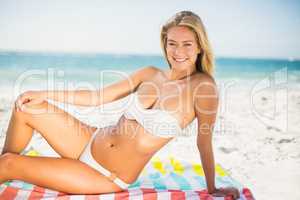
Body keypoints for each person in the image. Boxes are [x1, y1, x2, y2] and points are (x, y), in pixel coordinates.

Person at [0, 11, 240, 199]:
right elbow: (97, 97)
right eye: (172, 43)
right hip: (89, 140)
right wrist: (45, 93)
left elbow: (204, 141)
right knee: (26, 106)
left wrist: (213, 187)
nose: (178, 52)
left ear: (200, 46)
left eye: (187, 44)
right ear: (164, 44)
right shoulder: (150, 74)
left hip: (105, 175)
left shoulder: (204, 87)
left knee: (9, 164)